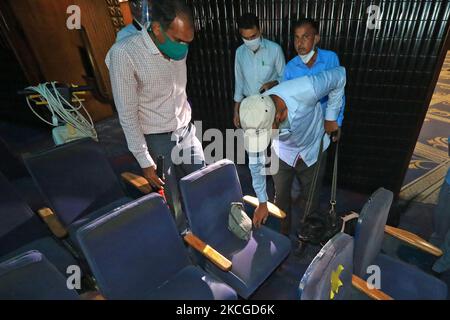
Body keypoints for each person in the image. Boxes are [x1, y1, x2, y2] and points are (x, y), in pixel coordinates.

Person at [106, 0, 205, 231]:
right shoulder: (124, 54)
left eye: (188, 42)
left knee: (202, 181)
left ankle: (206, 228)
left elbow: (178, 92)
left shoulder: (178, 47)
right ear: (157, 28)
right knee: (172, 198)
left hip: (186, 131)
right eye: (179, 40)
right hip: (156, 138)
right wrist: (143, 159)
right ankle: (182, 240)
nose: (184, 48)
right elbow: (128, 115)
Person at [239, 66, 346, 246]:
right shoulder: (255, 116)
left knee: (309, 203)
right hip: (282, 153)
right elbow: (255, 164)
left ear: (281, 115)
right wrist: (262, 202)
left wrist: (331, 116)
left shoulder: (305, 89)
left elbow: (339, 75)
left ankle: (304, 240)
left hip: (312, 148)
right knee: (279, 200)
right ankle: (281, 238)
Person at [233, 13, 286, 128]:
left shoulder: (275, 50)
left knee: (274, 141)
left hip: (271, 105)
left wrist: (273, 83)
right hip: (249, 108)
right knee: (253, 143)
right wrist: (236, 110)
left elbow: (285, 78)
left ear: (260, 30)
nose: (250, 40)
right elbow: (239, 83)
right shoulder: (239, 53)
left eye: (253, 36)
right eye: (246, 38)